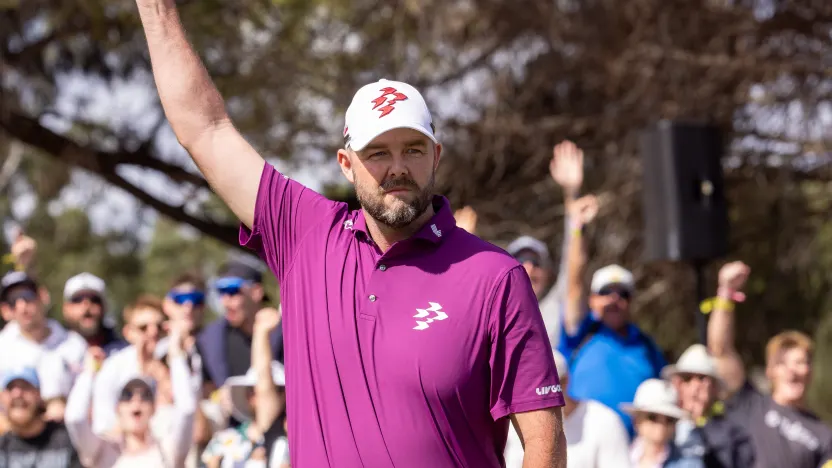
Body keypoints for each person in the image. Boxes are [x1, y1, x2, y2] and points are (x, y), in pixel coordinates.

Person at [134, 1, 566, 466]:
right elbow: (205, 129)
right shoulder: (304, 236)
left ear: (436, 156)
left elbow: (544, 441)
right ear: (346, 164)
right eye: (377, 152)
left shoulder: (494, 276)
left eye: (413, 149)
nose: (398, 167)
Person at [554, 146, 665, 437]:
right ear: (592, 300)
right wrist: (576, 224)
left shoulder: (647, 346)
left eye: (623, 293)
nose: (615, 299)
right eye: (606, 292)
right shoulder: (581, 330)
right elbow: (575, 278)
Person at [707, 261, 832, 468]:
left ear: (810, 372)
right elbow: (720, 350)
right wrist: (725, 293)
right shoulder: (750, 404)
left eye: (800, 362)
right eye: (783, 363)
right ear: (770, 371)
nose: (792, 370)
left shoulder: (824, 435)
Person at [65, 320, 197, 468]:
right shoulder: (102, 452)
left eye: (146, 396)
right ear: (117, 408)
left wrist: (176, 355)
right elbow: (74, 418)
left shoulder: (167, 449)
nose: (136, 401)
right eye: (127, 396)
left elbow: (187, 409)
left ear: (154, 408)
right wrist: (88, 373)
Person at [505, 350, 630, 468]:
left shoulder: (604, 422)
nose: (539, 396)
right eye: (529, 387)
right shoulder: (510, 425)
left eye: (546, 387)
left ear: (566, 381)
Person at [202, 307, 286, 468]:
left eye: (277, 390)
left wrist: (262, 333)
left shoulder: (296, 441)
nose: (262, 394)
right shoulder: (222, 442)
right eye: (252, 390)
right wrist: (261, 332)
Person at [0, 271, 86, 421]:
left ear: (43, 296)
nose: (22, 306)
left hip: (69, 434)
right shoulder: (3, 347)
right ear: (6, 310)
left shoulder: (74, 344)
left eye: (27, 296)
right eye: (13, 301)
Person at [662, 344, 755, 468]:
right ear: (677, 384)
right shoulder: (660, 423)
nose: (695, 386)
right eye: (687, 378)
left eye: (702, 378)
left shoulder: (733, 435)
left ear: (715, 389)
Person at [198, 261, 283, 390]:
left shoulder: (285, 333)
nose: (225, 301)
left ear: (256, 292)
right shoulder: (213, 340)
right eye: (221, 292)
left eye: (232, 291)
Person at [91, 295, 166, 435]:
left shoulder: (176, 362)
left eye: (159, 326)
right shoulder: (112, 367)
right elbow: (103, 426)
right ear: (128, 333)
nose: (153, 332)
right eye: (144, 328)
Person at [0, 367, 82, 467]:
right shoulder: (2, 447)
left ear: (38, 394)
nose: (17, 394)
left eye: (25, 387)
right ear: (2, 398)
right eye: (10, 388)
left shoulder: (68, 439)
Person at [622, 379, 704, 468]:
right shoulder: (616, 455)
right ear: (636, 420)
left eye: (669, 419)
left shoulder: (690, 465)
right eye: (652, 417)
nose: (661, 425)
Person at [62, 272, 128, 355]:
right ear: (66, 308)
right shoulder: (51, 350)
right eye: (78, 299)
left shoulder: (123, 352)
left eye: (94, 299)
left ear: (105, 307)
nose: (86, 305)